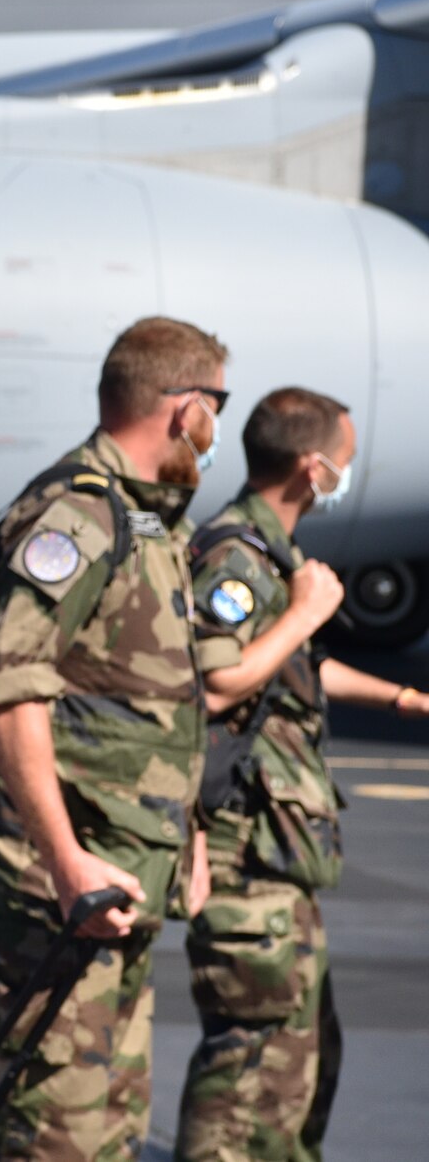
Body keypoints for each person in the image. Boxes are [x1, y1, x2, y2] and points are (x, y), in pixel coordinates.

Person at [0, 316, 228, 1161]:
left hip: (123, 872)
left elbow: (149, 699)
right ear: (186, 411)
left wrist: (188, 837)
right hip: (57, 881)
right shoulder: (77, 514)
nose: (219, 423)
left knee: (108, 1118)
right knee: (54, 1125)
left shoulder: (149, 519)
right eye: (217, 403)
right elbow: (7, 688)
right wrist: (67, 861)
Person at [176, 388, 428, 1162]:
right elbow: (219, 681)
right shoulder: (237, 556)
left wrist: (402, 695)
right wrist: (308, 609)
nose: (344, 478)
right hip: (243, 851)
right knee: (249, 1060)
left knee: (303, 1057)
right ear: (312, 467)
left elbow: (293, 669)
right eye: (342, 465)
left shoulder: (272, 556)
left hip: (282, 853)